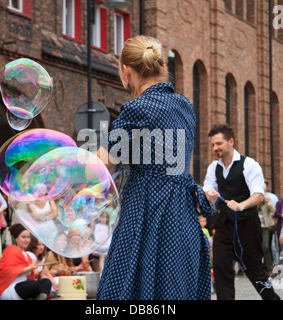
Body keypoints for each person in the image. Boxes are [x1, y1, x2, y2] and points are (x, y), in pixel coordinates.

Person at [96, 35, 212, 300]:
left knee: (132, 285)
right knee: (176, 284)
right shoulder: (185, 106)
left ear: (126, 71)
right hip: (182, 210)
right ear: (162, 68)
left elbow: (105, 159)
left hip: (148, 206)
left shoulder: (136, 108)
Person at [203, 123, 279, 300]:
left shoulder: (249, 164)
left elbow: (259, 195)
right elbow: (207, 187)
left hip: (247, 226)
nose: (215, 148)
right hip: (223, 226)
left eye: (219, 144)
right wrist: (209, 193)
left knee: (255, 272)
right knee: (221, 268)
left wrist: (241, 205)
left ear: (231, 142)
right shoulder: (214, 167)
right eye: (213, 144)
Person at [0, 224, 52, 300]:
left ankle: (41, 296)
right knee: (34, 284)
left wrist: (38, 274)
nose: (27, 240)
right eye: (23, 237)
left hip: (23, 286)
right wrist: (28, 268)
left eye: (28, 237)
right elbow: (8, 271)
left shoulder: (27, 255)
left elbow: (31, 275)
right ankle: (41, 295)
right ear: (16, 238)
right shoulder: (10, 250)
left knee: (46, 282)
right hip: (10, 288)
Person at [258, 187, 276, 270]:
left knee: (266, 246)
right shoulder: (254, 200)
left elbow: (273, 210)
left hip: (266, 226)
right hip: (256, 226)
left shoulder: (268, 200)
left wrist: (267, 202)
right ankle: (259, 266)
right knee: (257, 247)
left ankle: (269, 266)